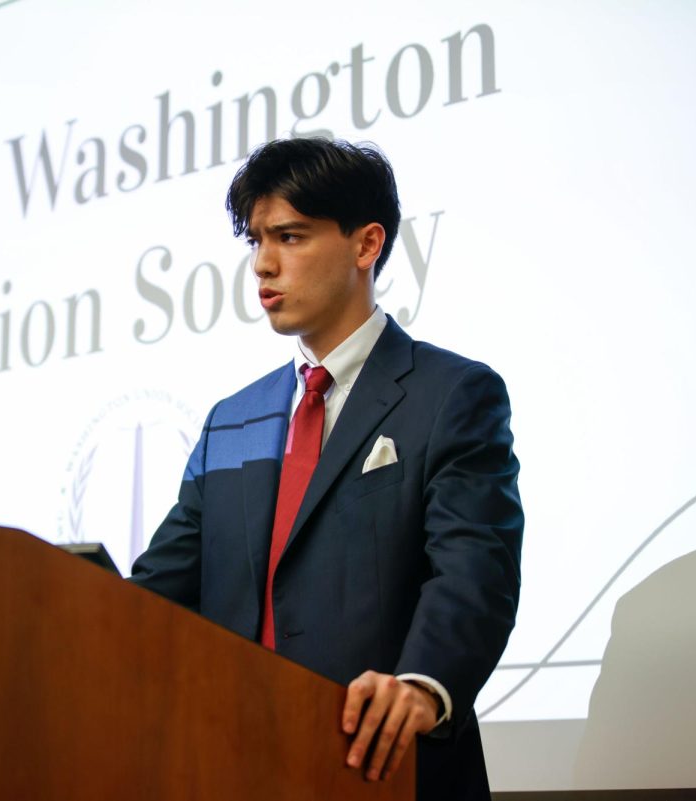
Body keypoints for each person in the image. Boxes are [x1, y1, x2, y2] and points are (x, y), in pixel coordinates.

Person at [129, 137, 524, 800]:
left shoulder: (452, 393)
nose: (263, 265)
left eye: (289, 235)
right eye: (255, 240)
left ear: (366, 244)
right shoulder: (232, 419)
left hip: (385, 767)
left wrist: (422, 685)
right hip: (233, 768)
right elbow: (157, 592)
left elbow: (473, 569)